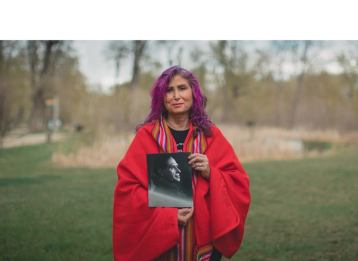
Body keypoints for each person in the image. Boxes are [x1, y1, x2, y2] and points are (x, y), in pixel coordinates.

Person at [113, 66, 251, 261]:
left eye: (182, 88)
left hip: (203, 241)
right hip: (160, 242)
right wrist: (168, 218)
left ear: (193, 93)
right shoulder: (146, 137)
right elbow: (127, 191)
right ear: (161, 97)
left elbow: (239, 182)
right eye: (169, 90)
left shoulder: (210, 135)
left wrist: (211, 172)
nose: (176, 96)